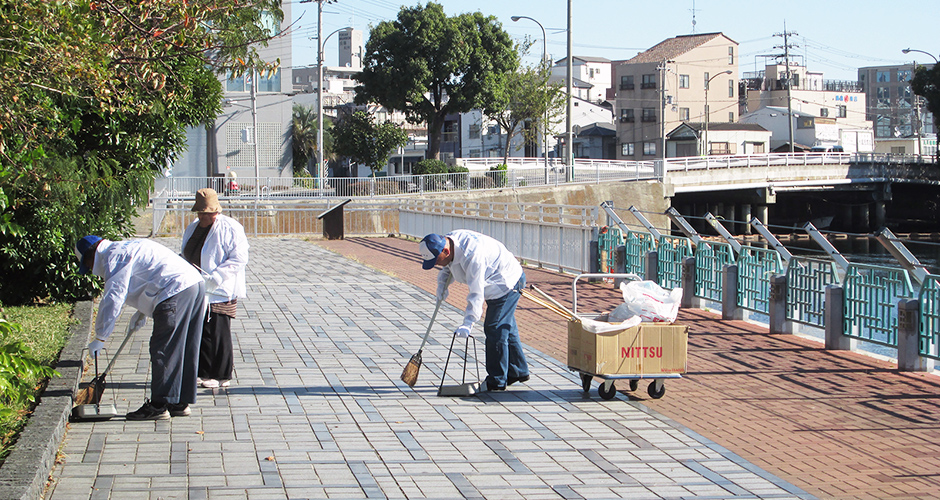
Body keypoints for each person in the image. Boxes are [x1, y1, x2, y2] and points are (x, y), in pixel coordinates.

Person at [75, 235, 205, 420]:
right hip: (193, 284)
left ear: (92, 254)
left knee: (164, 348)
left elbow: (114, 296)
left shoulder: (114, 255)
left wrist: (100, 337)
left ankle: (159, 405)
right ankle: (178, 402)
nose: (89, 269)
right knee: (184, 346)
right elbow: (149, 274)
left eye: (86, 264)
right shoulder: (126, 247)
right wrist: (142, 312)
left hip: (176, 289)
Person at [419, 230, 530, 392]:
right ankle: (518, 370)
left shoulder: (473, 255)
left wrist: (468, 322)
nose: (437, 264)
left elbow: (476, 293)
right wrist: (442, 286)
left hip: (507, 283)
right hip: (494, 280)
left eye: (436, 260)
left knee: (494, 327)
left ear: (445, 250)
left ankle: (497, 381)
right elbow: (448, 266)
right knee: (506, 326)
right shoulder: (449, 243)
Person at [181, 188, 249, 389]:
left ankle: (221, 374)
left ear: (216, 211)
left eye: (207, 213)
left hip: (220, 288)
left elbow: (239, 258)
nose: (202, 216)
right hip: (197, 285)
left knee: (218, 330)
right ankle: (203, 371)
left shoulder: (230, 227)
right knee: (201, 330)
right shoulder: (193, 227)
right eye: (200, 213)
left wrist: (217, 277)